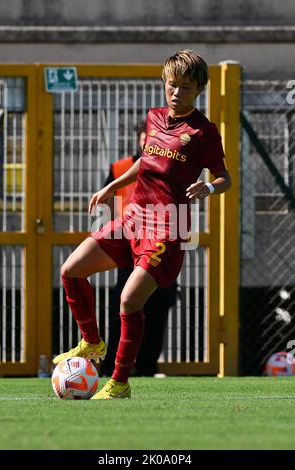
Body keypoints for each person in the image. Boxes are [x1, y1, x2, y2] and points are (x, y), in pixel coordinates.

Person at [53, 50, 231, 399]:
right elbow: (146, 163)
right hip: (134, 218)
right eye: (171, 85)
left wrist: (208, 187)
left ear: (199, 89)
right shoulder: (154, 117)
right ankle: (91, 343)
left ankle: (119, 383)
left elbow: (225, 178)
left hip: (167, 228)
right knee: (71, 270)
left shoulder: (204, 131)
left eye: (185, 87)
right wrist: (110, 187)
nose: (176, 92)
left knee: (128, 301)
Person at [100, 120, 177, 377]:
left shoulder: (174, 167)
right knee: (121, 309)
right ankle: (112, 367)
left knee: (158, 310)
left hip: (162, 246)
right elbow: (106, 207)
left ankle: (147, 367)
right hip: (130, 249)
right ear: (140, 139)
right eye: (147, 137)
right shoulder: (119, 169)